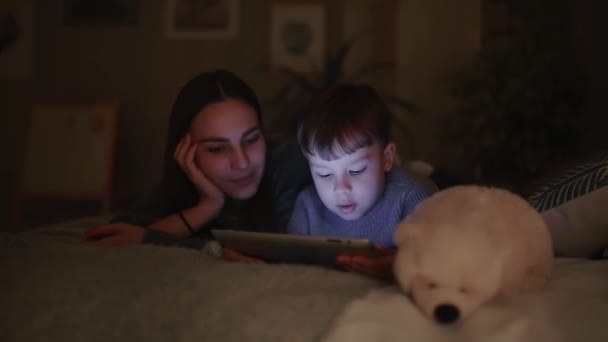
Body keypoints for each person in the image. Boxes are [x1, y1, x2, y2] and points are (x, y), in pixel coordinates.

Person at [84, 69, 311, 253]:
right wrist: (207, 206)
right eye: (218, 148)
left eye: (251, 140)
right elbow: (116, 238)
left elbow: (286, 252)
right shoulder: (180, 187)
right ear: (186, 152)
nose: (242, 162)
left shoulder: (292, 164)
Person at [286, 83, 437, 278]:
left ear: (387, 157)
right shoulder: (308, 207)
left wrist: (401, 266)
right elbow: (289, 269)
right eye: (324, 174)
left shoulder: (412, 199)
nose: (341, 188)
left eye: (356, 170)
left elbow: (444, 263)